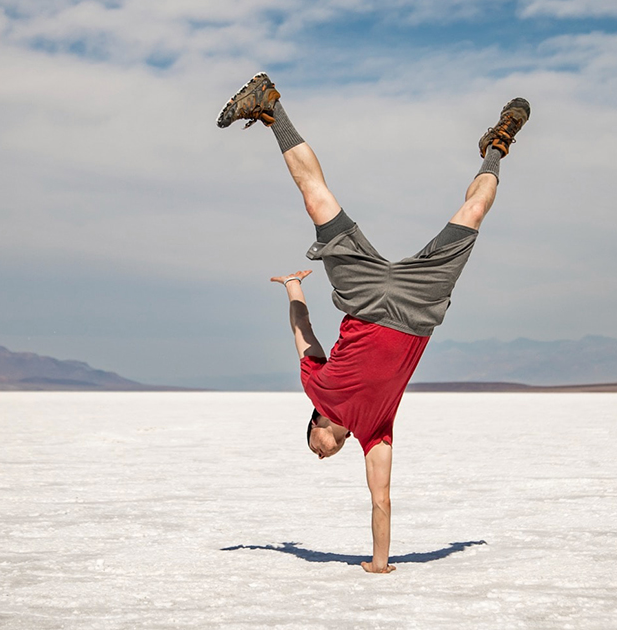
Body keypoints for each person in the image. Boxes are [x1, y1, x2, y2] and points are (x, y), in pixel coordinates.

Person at [217, 73, 529, 573]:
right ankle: (497, 146)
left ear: (317, 427)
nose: (321, 457)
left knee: (316, 198)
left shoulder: (316, 389)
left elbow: (306, 335)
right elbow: (380, 500)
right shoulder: (376, 434)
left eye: (315, 450)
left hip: (363, 301)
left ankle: (270, 107)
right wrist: (378, 563)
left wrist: (295, 289)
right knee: (474, 210)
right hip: (416, 308)